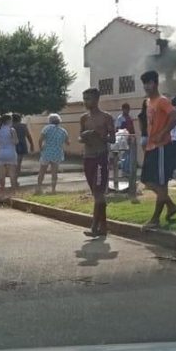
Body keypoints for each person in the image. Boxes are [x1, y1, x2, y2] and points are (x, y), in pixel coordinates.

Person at [140, 70, 176, 229]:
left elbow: (175, 117)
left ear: (155, 83)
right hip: (151, 146)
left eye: (149, 83)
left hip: (162, 147)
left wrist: (163, 133)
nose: (146, 86)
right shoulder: (148, 102)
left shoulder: (162, 100)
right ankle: (170, 205)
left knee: (161, 183)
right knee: (146, 180)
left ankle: (155, 219)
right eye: (144, 83)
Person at [80, 88, 115, 239]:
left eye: (88, 99)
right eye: (84, 98)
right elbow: (80, 138)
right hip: (88, 158)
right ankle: (104, 226)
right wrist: (85, 135)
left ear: (96, 99)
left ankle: (94, 227)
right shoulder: (84, 118)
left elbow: (113, 139)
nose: (86, 102)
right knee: (97, 194)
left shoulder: (107, 117)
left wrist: (101, 135)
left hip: (100, 157)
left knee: (99, 193)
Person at [36, 113, 69, 194]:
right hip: (57, 153)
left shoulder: (47, 128)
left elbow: (40, 140)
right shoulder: (63, 131)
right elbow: (67, 142)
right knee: (54, 172)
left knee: (42, 171)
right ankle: (53, 189)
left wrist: (41, 148)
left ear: (50, 120)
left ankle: (39, 188)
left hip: (47, 152)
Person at [0, 114, 18, 197]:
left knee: (1, 174)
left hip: (1, 152)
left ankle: (2, 192)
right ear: (8, 121)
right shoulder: (11, 130)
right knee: (12, 174)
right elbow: (15, 142)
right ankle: (13, 192)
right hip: (10, 152)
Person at [115, 103, 136, 177]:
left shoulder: (130, 117)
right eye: (126, 109)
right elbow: (117, 129)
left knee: (130, 156)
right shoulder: (120, 118)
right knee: (123, 156)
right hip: (123, 140)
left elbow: (132, 129)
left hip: (130, 139)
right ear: (123, 109)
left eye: (128, 109)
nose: (127, 111)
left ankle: (128, 170)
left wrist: (133, 136)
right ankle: (124, 171)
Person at [12, 114, 33, 182]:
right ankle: (15, 179)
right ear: (19, 119)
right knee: (18, 163)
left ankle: (13, 179)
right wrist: (31, 144)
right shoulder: (23, 126)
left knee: (12, 163)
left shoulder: (9, 126)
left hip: (12, 145)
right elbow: (28, 135)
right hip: (21, 145)